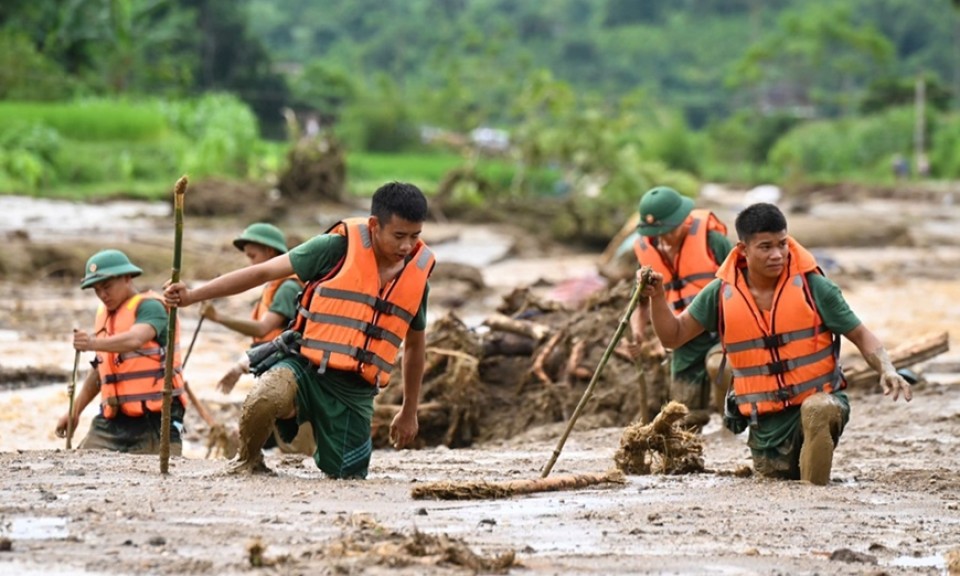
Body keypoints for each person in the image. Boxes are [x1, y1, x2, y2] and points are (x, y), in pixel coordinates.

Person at [163, 182, 434, 478]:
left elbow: (414, 346)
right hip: (305, 363)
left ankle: (311, 433)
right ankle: (248, 461)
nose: (407, 246)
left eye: (415, 236)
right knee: (264, 399)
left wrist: (409, 410)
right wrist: (192, 295)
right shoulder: (336, 248)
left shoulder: (416, 277)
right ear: (374, 225)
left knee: (348, 475)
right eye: (398, 236)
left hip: (354, 391)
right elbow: (262, 272)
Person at [641, 203, 912, 485]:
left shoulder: (814, 286)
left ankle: (816, 503)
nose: (777, 254)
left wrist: (887, 369)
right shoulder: (721, 293)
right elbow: (672, 336)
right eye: (766, 247)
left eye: (783, 244)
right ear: (743, 249)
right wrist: (657, 297)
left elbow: (862, 336)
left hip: (820, 399)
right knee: (776, 480)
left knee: (817, 410)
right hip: (766, 424)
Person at [56, 250, 186, 454]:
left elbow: (136, 338)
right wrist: (75, 411)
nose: (102, 295)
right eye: (97, 290)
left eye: (107, 287)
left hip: (154, 419)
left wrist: (91, 342)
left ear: (127, 278)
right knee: (79, 464)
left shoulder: (150, 307)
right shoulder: (106, 316)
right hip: (112, 420)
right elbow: (101, 370)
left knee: (158, 481)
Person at [625, 186, 733, 428]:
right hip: (683, 337)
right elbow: (639, 302)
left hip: (724, 331)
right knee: (683, 416)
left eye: (669, 231)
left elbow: (742, 282)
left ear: (684, 219)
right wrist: (638, 334)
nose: (664, 238)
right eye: (657, 233)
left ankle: (731, 425)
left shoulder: (713, 241)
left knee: (721, 371)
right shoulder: (649, 252)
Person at [202, 222, 302, 394]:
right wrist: (241, 366)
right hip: (273, 364)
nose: (250, 263)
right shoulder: (274, 285)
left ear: (270, 251)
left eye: (253, 256)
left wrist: (218, 317)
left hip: (286, 370)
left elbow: (262, 329)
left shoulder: (287, 288)